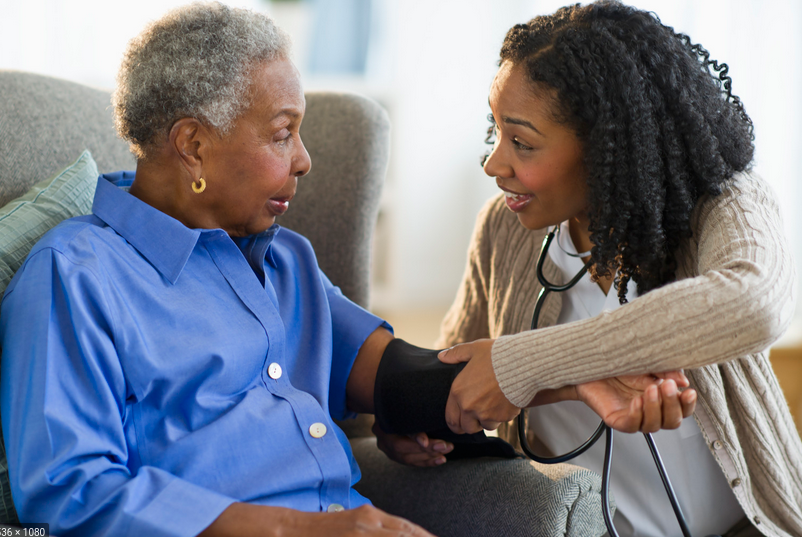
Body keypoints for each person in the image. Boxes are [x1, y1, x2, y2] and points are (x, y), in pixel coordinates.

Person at [0, 3, 693, 537]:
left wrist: (577, 379)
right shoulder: (76, 276)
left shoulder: (286, 262)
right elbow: (71, 492)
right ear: (193, 145)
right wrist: (311, 530)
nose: (304, 159)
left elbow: (408, 380)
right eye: (282, 133)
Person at [379, 2, 802, 537]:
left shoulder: (725, 203)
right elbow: (463, 374)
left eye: (522, 143)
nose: (493, 164)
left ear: (607, 148)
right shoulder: (503, 228)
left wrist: (529, 364)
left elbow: (754, 303)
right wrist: (420, 425)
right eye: (496, 131)